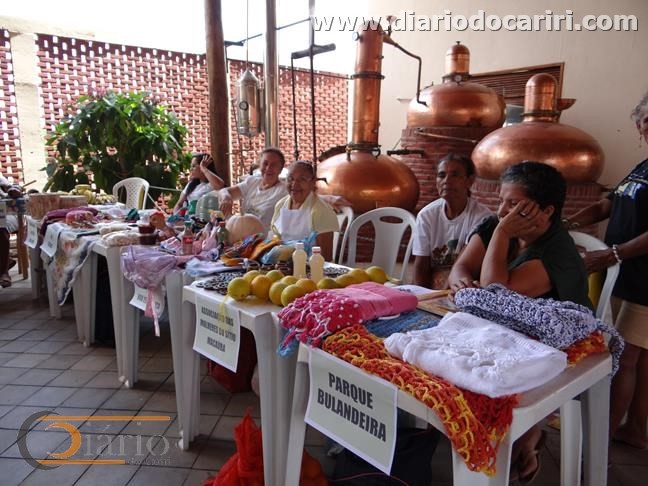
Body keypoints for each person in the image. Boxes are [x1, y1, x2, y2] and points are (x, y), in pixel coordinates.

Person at [448, 160, 591, 482]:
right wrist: (460, 282)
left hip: (555, 344)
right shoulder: (494, 224)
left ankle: (516, 436)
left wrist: (502, 233)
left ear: (546, 211)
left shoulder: (558, 253)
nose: (503, 212)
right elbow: (462, 267)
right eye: (502, 201)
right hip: (505, 330)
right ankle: (508, 437)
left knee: (479, 369)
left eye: (514, 204)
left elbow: (496, 292)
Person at [565, 90, 648, 449]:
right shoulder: (642, 166)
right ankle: (637, 430)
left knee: (624, 358)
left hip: (645, 282)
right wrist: (565, 224)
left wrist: (613, 254)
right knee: (641, 359)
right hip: (627, 274)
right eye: (646, 121)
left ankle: (601, 440)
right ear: (639, 127)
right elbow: (606, 205)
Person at [412, 154, 492, 288]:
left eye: (455, 175)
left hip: (465, 285)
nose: (446, 181)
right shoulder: (427, 215)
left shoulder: (483, 218)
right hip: (434, 287)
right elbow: (421, 265)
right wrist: (421, 295)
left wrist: (442, 295)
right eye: (441, 175)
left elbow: (463, 267)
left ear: (469, 181)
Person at [270, 160, 339, 260]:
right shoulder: (280, 205)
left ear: (312, 182)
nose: (294, 185)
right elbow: (275, 241)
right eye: (290, 179)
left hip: (311, 266)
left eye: (302, 179)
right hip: (282, 265)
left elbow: (326, 257)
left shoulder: (321, 211)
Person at [218, 147, 288, 229]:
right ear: (260, 165)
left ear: (280, 169)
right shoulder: (252, 182)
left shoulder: (284, 190)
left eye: (274, 165)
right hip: (243, 233)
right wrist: (226, 197)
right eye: (265, 163)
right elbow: (224, 191)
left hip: (265, 236)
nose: (268, 168)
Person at [1, 174, 23, 288]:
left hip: (5, 213)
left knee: (0, 229)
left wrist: (14, 190)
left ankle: (3, 272)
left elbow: (12, 187)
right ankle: (6, 261)